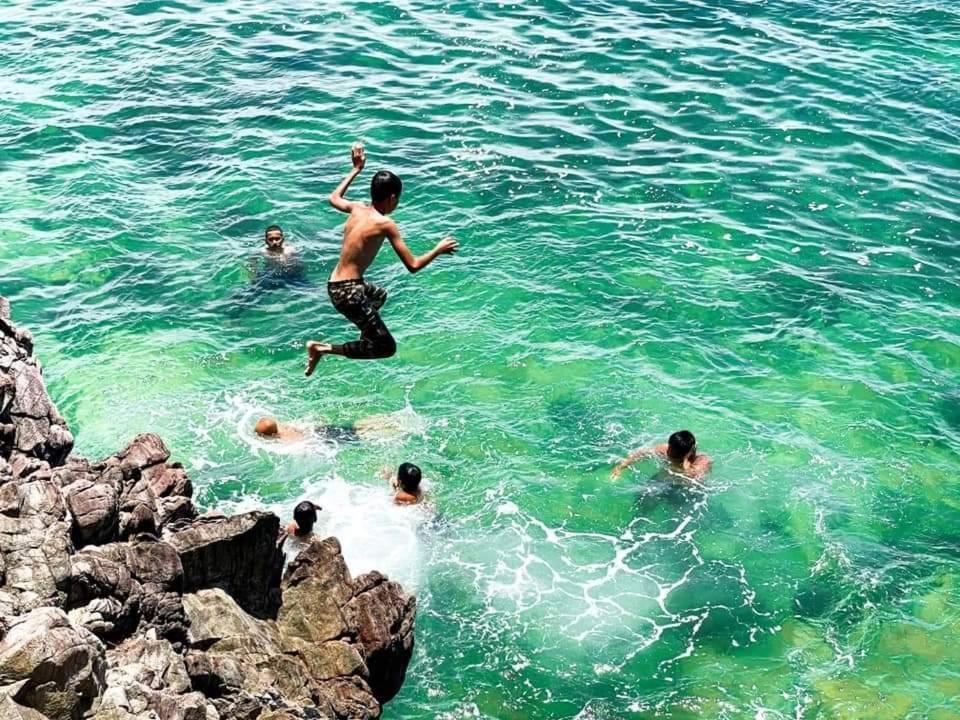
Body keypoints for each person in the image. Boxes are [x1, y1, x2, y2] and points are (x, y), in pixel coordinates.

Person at [304, 143, 459, 375]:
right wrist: (437, 250)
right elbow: (413, 266)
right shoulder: (386, 223)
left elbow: (333, 197)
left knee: (379, 296)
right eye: (397, 199)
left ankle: (366, 335)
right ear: (392, 197)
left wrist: (356, 169)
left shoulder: (357, 208)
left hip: (335, 284)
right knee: (386, 347)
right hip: (349, 292)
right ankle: (321, 349)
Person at [611, 430, 712, 481]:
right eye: (669, 447)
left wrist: (685, 461)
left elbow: (690, 479)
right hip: (665, 478)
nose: (667, 451)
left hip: (688, 488)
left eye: (671, 452)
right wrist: (620, 468)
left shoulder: (702, 461)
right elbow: (640, 454)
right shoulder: (665, 449)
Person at [280, 500, 321, 567]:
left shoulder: (290, 528)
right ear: (315, 519)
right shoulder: (314, 540)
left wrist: (314, 507)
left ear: (295, 518)